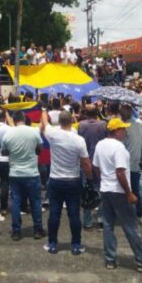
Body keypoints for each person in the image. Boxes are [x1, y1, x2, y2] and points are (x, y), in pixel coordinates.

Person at [92, 118, 142, 272]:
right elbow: (120, 172)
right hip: (119, 191)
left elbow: (95, 166)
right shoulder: (119, 148)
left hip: (105, 189)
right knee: (131, 226)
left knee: (108, 225)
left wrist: (103, 179)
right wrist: (129, 193)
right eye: (123, 129)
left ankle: (110, 259)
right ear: (116, 131)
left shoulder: (100, 144)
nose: (125, 131)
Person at [40, 109, 92, 255]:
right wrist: (89, 179)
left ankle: (52, 243)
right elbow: (86, 163)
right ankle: (76, 244)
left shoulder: (53, 135)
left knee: (54, 213)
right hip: (73, 180)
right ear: (72, 121)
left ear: (59, 122)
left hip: (55, 179)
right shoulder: (78, 140)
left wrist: (44, 110)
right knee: (74, 213)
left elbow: (44, 122)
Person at [2, 110, 45, 241]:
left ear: (14, 120)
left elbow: (4, 152)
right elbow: (40, 149)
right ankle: (37, 230)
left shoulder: (8, 134)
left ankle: (16, 231)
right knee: (36, 202)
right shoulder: (33, 131)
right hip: (32, 172)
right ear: (25, 119)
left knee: (16, 202)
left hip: (15, 173)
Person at [78, 104, 107, 230]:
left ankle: (88, 220)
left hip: (85, 161)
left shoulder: (81, 125)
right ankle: (101, 218)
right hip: (100, 162)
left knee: (87, 191)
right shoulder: (103, 125)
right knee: (100, 189)